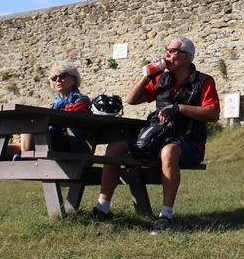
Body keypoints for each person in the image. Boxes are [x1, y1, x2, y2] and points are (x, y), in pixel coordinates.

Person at [92, 36, 219, 234]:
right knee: (115, 148)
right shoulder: (162, 79)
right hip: (156, 139)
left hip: (189, 142)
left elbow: (213, 113)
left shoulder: (203, 81)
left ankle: (165, 215)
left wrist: (180, 109)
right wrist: (147, 74)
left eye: (173, 51)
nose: (167, 54)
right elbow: (132, 99)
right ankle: (103, 207)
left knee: (169, 152)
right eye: (167, 50)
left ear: (187, 57)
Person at [0, 61, 92, 158]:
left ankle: (25, 158)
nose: (58, 80)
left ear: (74, 80)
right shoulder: (56, 104)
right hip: (54, 143)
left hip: (71, 147)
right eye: (54, 78)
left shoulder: (80, 99)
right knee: (28, 131)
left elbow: (76, 121)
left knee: (30, 124)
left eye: (62, 76)